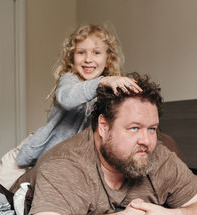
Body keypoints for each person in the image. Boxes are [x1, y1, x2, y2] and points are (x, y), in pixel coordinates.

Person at [10, 73, 197, 215]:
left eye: (152, 129)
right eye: (134, 128)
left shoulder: (158, 156)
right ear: (103, 126)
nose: (146, 140)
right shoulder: (65, 162)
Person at [16, 24, 142, 167]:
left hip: (71, 158)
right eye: (81, 52)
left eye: (96, 53)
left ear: (107, 59)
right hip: (38, 150)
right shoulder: (69, 79)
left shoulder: (107, 91)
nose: (88, 59)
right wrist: (101, 81)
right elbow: (67, 99)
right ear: (72, 57)